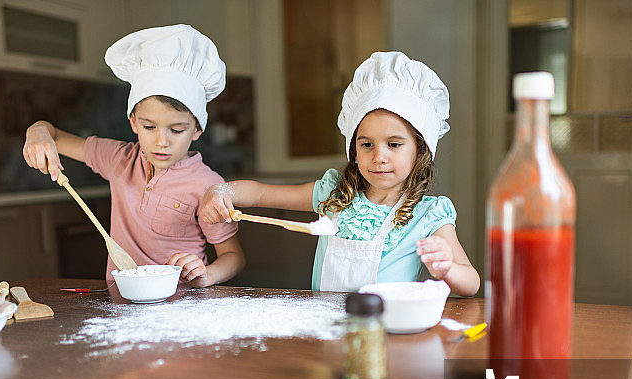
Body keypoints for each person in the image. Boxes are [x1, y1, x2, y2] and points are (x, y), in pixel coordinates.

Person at [199, 51, 479, 296]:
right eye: (366, 144)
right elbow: (261, 193)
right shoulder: (333, 194)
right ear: (353, 150)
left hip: (387, 332)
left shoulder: (428, 215)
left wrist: (447, 268)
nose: (379, 157)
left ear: (420, 150)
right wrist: (221, 191)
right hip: (329, 328)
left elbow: (471, 284)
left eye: (394, 145)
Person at [22, 24, 245, 287]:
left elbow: (233, 257)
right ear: (133, 122)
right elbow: (53, 135)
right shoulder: (119, 159)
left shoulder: (208, 185)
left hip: (182, 302)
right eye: (149, 127)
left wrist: (208, 274)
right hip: (121, 300)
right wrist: (37, 132)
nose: (161, 142)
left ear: (197, 129)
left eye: (176, 130)